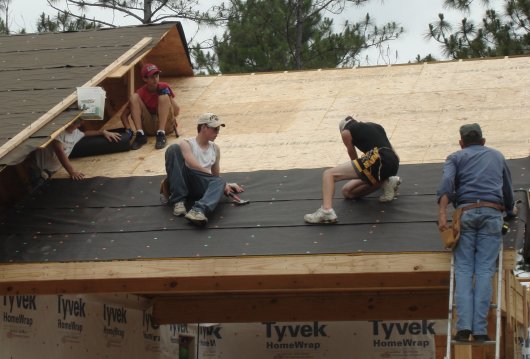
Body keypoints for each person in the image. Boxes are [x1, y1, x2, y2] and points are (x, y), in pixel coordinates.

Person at [437, 123, 516, 342]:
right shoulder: (497, 156)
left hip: (466, 214)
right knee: (484, 271)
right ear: (483, 141)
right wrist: (510, 210)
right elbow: (507, 190)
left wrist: (442, 212)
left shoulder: (455, 157)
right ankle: (480, 330)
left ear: (461, 143)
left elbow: (447, 184)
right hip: (492, 215)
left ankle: (463, 328)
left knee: (463, 270)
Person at [304, 116, 401, 224]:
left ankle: (326, 211)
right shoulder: (376, 126)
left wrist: (355, 172)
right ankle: (387, 181)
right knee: (348, 192)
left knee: (329, 174)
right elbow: (394, 152)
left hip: (378, 159)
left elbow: (353, 156)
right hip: (392, 162)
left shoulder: (346, 132)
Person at [164, 113, 243, 226]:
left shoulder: (215, 148)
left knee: (219, 181)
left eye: (218, 129)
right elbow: (194, 166)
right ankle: (178, 201)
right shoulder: (186, 143)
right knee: (173, 149)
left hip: (200, 186)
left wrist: (224, 184)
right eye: (215, 129)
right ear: (203, 127)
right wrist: (221, 182)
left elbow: (215, 176)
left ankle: (198, 210)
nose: (217, 132)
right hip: (185, 180)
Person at [28, 118, 121, 182]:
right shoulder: (57, 133)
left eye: (75, 123)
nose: (72, 125)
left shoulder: (75, 133)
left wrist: (103, 132)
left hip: (52, 171)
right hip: (39, 170)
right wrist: (72, 172)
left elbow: (85, 134)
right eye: (71, 123)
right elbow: (60, 152)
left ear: (79, 124)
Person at [121, 63, 180, 150]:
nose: (155, 79)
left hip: (166, 126)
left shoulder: (164, 86)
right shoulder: (140, 92)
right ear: (145, 79)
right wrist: (128, 130)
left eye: (156, 75)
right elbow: (123, 116)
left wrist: (169, 97)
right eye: (152, 77)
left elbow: (176, 112)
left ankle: (161, 134)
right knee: (133, 97)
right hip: (149, 128)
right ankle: (140, 134)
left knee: (163, 96)